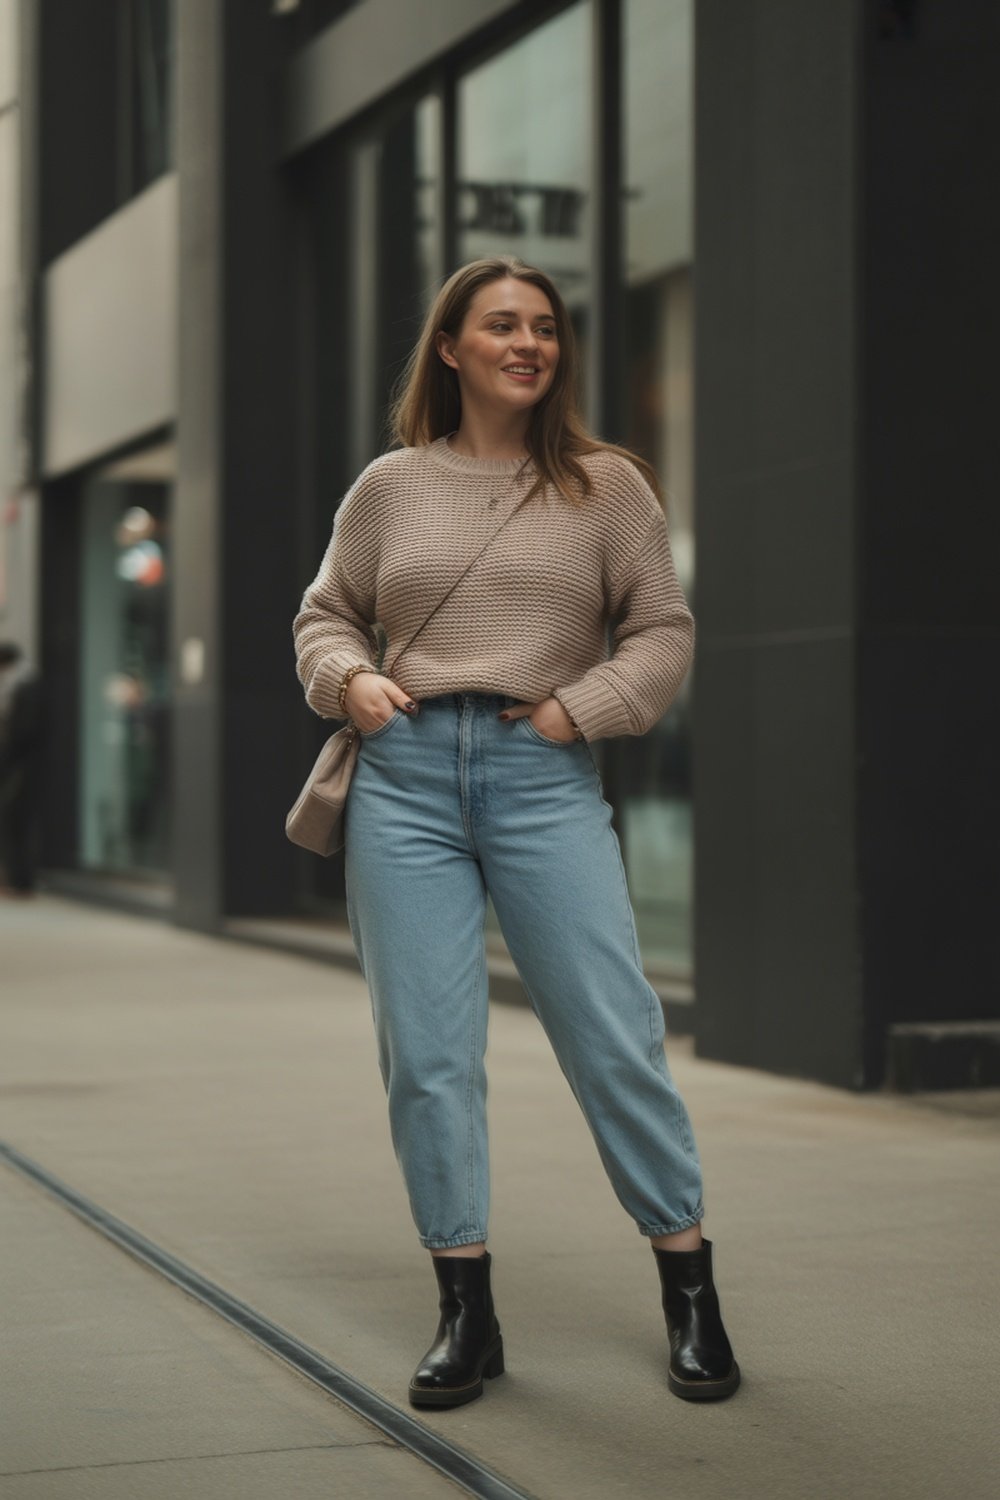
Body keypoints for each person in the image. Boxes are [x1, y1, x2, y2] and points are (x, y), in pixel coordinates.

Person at [293, 256, 740, 1408]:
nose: (528, 343)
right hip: (403, 780)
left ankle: (689, 1284)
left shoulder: (608, 487)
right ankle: (465, 1309)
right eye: (501, 325)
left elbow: (662, 629)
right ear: (451, 349)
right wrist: (350, 681)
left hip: (540, 775)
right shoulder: (389, 486)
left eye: (543, 326)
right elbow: (326, 614)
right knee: (429, 1057)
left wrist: (576, 710)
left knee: (612, 1035)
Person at [0, 642, 45, 898]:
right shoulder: (17, 685)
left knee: (15, 821)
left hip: (21, 768)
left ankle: (21, 881)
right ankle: (17, 879)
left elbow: (22, 732)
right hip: (16, 766)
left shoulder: (26, 686)